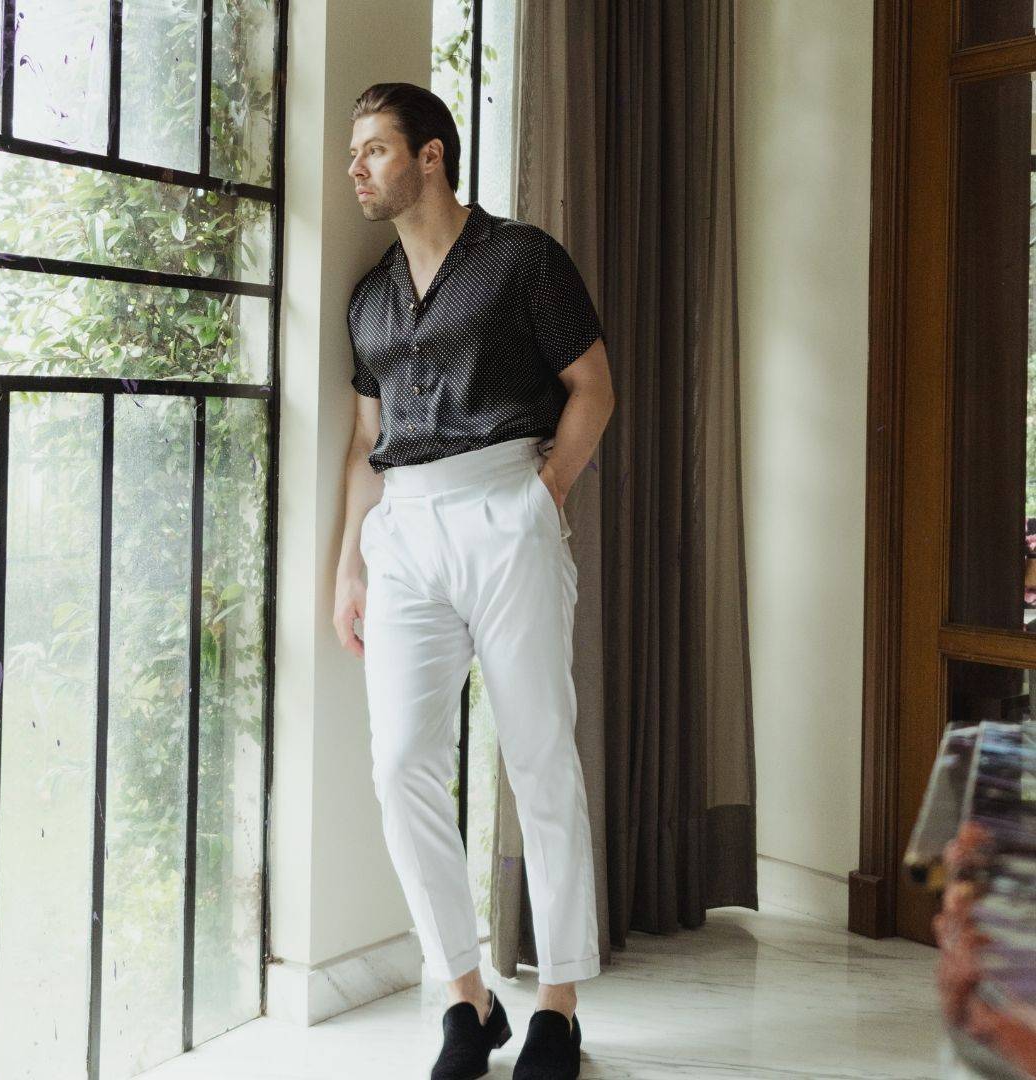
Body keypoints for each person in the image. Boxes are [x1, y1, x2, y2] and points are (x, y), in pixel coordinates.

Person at [333, 81, 615, 1080]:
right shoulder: (369, 296)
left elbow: (593, 385)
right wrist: (347, 566)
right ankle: (465, 997)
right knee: (400, 758)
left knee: (538, 751)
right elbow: (366, 438)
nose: (357, 166)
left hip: (506, 508)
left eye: (373, 149)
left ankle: (560, 1008)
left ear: (432, 155)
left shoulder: (522, 260)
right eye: (355, 152)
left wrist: (543, 493)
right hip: (402, 530)